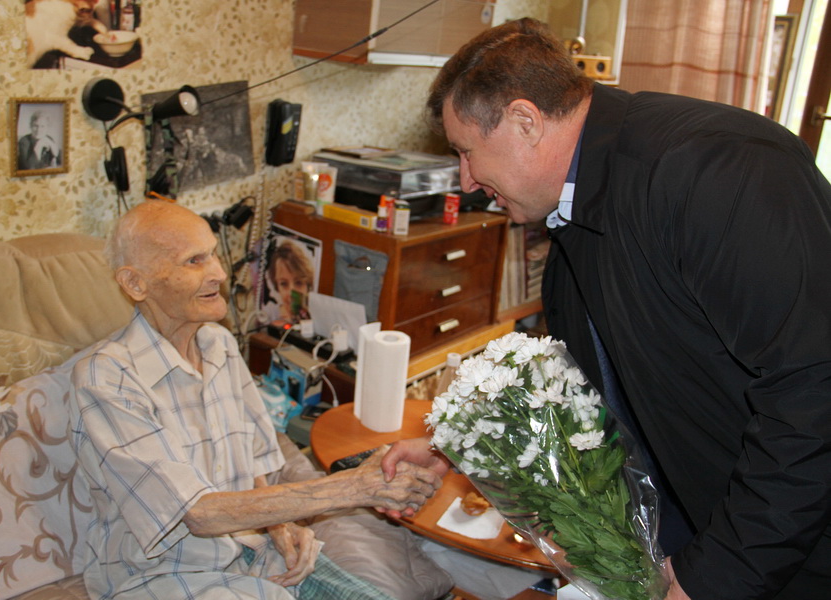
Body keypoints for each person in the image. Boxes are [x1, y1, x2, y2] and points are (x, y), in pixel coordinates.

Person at [381, 17, 831, 600]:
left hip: (793, 541)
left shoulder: (718, 169)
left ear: (524, 121)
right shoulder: (574, 225)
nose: (467, 181)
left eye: (467, 152)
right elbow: (592, 400)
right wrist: (467, 447)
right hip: (711, 521)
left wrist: (716, 576)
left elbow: (814, 391)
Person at [68, 199, 442, 600]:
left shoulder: (220, 344)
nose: (219, 273)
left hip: (255, 553)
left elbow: (255, 463)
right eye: (194, 261)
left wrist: (279, 525)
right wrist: (353, 487)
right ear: (135, 283)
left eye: (213, 253)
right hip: (169, 575)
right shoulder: (106, 378)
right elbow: (194, 512)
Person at [266, 238, 314, 323]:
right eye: (284, 284)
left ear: (308, 285)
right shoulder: (269, 315)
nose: (291, 293)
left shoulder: (315, 316)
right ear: (277, 286)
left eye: (298, 283)